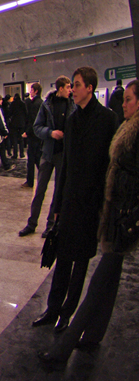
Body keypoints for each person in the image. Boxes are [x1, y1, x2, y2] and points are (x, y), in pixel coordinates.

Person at [38, 79, 139, 367]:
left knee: (96, 284)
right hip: (108, 210)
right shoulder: (117, 125)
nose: (123, 103)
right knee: (108, 280)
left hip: (121, 217)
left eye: (129, 99)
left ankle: (63, 349)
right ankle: (93, 334)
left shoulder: (118, 125)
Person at [32, 67, 118, 333]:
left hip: (90, 203)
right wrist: (57, 205)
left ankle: (67, 312)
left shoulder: (107, 119)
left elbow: (109, 165)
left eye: (77, 85)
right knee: (63, 256)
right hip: (70, 199)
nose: (73, 90)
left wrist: (104, 204)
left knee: (80, 260)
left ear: (89, 88)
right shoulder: (71, 120)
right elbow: (66, 165)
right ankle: (52, 308)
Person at [21, 77, 74, 237]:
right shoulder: (47, 105)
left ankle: (50, 225)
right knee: (40, 190)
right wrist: (51, 133)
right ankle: (31, 223)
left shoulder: (72, 105)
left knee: (58, 191)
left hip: (62, 153)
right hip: (48, 152)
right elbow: (37, 127)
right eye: (68, 87)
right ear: (60, 88)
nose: (70, 90)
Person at [23, 83, 44, 189]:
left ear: (36, 91)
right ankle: (42, 178)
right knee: (37, 157)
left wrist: (27, 132)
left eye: (31, 90)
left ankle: (30, 181)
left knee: (31, 159)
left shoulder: (35, 104)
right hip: (39, 135)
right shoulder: (41, 102)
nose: (30, 92)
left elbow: (33, 120)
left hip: (33, 135)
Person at [8, 93, 27, 160]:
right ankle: (22, 154)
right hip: (21, 123)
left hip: (14, 124)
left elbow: (9, 113)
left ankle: (15, 154)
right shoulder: (23, 104)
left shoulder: (12, 104)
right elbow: (26, 113)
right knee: (21, 139)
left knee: (15, 139)